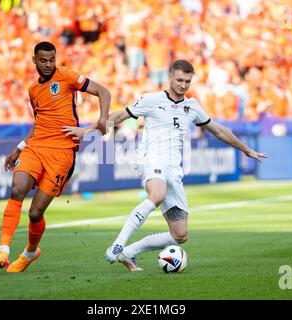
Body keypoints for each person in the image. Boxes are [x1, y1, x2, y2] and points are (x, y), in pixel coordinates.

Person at [62, 60, 266, 271]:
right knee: (157, 195)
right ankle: (118, 244)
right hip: (151, 160)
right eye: (179, 80)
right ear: (170, 77)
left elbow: (219, 130)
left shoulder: (192, 106)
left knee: (180, 235)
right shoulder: (152, 100)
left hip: (173, 170)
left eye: (187, 81)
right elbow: (119, 116)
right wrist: (87, 130)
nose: (183, 85)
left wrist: (245, 149)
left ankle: (128, 253)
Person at [0, 41, 110, 272]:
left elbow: (103, 91)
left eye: (52, 60)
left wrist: (102, 119)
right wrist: (19, 147)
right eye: (43, 60)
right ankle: (3, 249)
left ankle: (30, 252)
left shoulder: (67, 77)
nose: (48, 65)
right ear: (34, 60)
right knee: (17, 189)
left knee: (35, 213)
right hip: (36, 147)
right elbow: (40, 122)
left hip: (62, 152)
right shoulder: (33, 90)